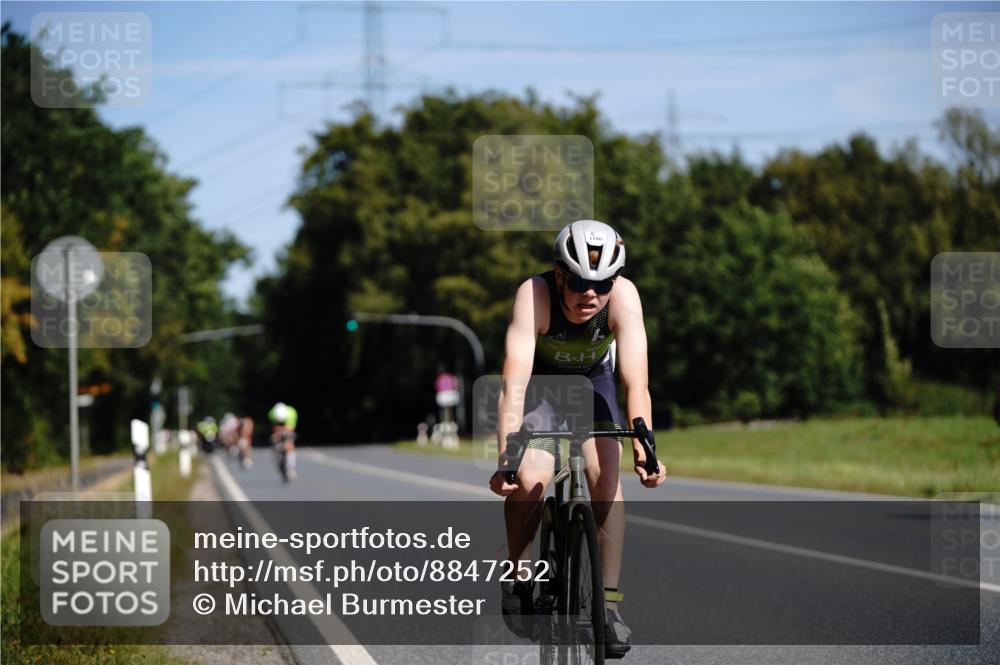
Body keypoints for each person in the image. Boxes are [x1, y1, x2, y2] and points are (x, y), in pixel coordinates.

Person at [488, 219, 666, 658]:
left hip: (592, 385)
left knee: (607, 478)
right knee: (531, 480)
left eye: (602, 284)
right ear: (560, 274)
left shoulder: (623, 297)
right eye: (581, 283)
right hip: (542, 389)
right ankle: (520, 574)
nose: (591, 294)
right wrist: (506, 457)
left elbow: (636, 383)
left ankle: (607, 605)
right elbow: (513, 384)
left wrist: (645, 445)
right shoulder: (535, 295)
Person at [268, 402, 299, 480]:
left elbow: (290, 428)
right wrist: (276, 435)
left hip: (288, 428)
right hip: (278, 430)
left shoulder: (291, 413)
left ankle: (290, 467)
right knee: (274, 439)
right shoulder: (271, 414)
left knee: (289, 444)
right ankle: (276, 453)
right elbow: (274, 428)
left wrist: (282, 432)